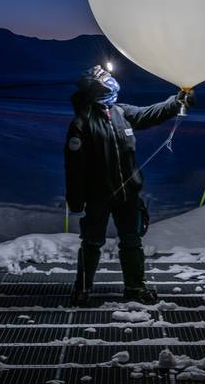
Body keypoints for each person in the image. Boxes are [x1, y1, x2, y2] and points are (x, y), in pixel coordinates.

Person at [64, 65, 195, 306]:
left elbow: (148, 114)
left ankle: (135, 288)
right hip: (97, 196)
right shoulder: (82, 123)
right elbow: (74, 166)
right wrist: (75, 200)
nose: (112, 83)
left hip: (128, 194)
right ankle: (82, 289)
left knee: (132, 241)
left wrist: (176, 102)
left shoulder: (120, 112)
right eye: (106, 81)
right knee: (92, 242)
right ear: (95, 88)